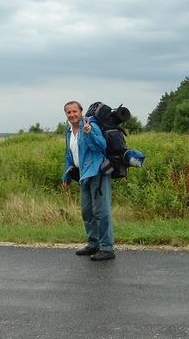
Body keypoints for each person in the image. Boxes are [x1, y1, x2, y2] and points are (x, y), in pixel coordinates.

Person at [62, 101, 115, 261]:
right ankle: (93, 244)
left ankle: (107, 248)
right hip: (83, 174)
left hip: (97, 172)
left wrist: (89, 133)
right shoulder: (69, 132)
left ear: (81, 111)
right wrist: (66, 175)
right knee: (87, 212)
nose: (72, 115)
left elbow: (102, 146)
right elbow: (69, 154)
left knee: (101, 211)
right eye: (68, 112)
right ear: (66, 114)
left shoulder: (89, 124)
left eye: (74, 111)